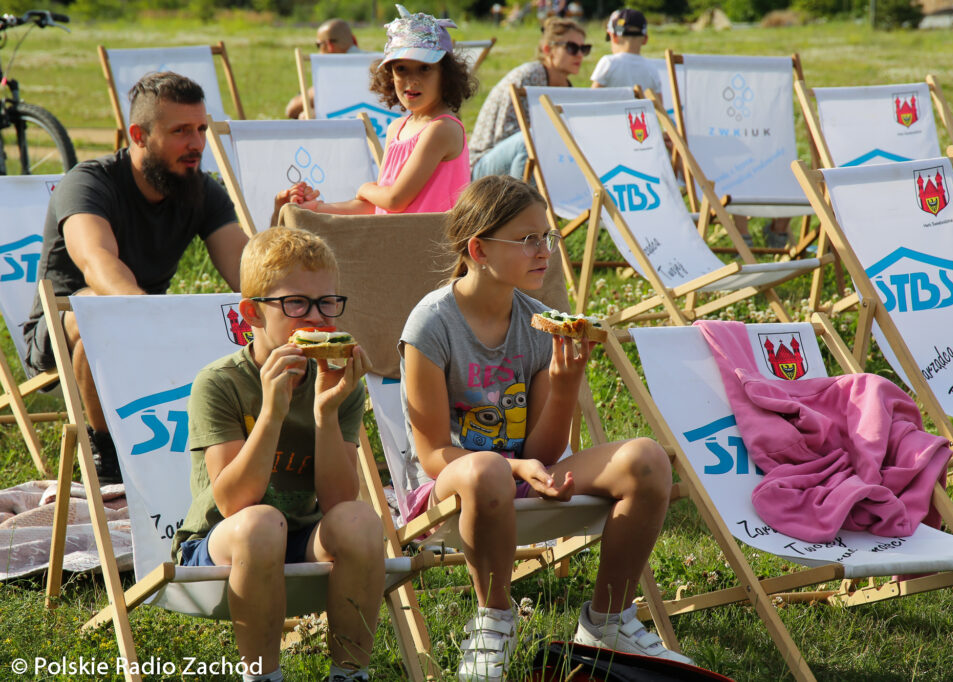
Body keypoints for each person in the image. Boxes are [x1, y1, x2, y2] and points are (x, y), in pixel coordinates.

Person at [399, 175, 693, 681]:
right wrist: (511, 465)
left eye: (547, 238)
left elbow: (545, 449)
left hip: (527, 472)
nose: (544, 251)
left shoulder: (540, 323)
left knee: (646, 459)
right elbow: (431, 454)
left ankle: (609, 619)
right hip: (455, 482)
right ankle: (494, 618)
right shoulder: (432, 326)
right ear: (479, 249)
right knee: (488, 468)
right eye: (528, 239)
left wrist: (563, 386)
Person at [172, 226, 385, 682]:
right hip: (221, 545)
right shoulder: (221, 383)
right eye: (296, 304)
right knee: (262, 522)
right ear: (252, 313)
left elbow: (339, 502)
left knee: (362, 520)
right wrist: (271, 412)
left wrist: (327, 414)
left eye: (327, 302)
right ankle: (264, 675)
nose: (317, 318)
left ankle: (349, 674)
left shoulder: (337, 382)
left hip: (300, 539)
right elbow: (232, 505)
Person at [21, 71, 249, 485]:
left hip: (148, 325)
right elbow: (98, 263)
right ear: (139, 134)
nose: (197, 143)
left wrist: (288, 298)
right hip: (62, 334)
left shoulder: (198, 189)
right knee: (99, 308)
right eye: (180, 131)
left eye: (200, 128)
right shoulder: (88, 183)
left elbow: (245, 266)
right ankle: (107, 456)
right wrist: (153, 322)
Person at [274, 6, 475, 218]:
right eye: (401, 69)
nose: (412, 80)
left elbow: (395, 200)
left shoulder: (441, 129)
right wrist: (318, 209)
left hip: (431, 246)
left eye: (424, 68)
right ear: (390, 77)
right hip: (393, 240)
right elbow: (378, 207)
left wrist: (364, 189)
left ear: (446, 74)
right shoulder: (397, 128)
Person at [468, 17, 589, 181]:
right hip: (484, 166)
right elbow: (504, 136)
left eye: (584, 48)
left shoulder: (566, 88)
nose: (580, 55)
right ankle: (521, 206)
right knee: (531, 140)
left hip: (527, 162)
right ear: (548, 49)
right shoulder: (526, 77)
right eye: (572, 48)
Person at [285, 19, 364, 119]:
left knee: (305, 116)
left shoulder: (335, 70)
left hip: (345, 127)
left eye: (318, 45)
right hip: (376, 128)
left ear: (329, 45)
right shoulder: (375, 61)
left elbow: (291, 109)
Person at [590, 8, 661, 100]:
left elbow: (592, 98)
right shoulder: (652, 68)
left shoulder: (608, 62)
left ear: (614, 37)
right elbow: (659, 107)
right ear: (645, 39)